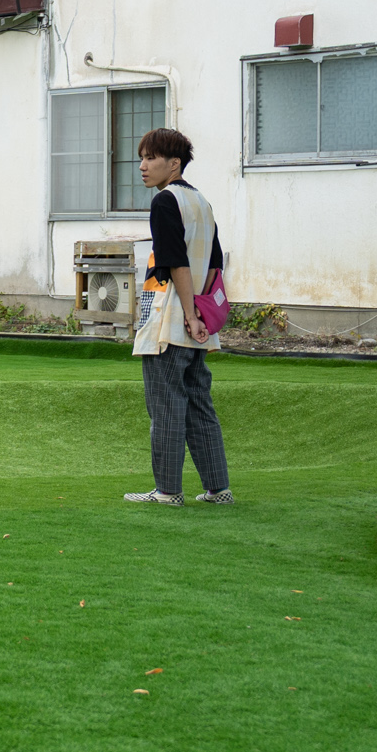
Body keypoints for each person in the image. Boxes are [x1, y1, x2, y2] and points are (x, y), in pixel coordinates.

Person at [128, 127, 233, 506]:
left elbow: (176, 263)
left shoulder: (165, 202)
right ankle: (218, 489)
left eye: (151, 158)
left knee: (166, 407)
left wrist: (189, 314)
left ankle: (168, 491)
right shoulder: (201, 203)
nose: (142, 166)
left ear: (174, 164)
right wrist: (201, 316)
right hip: (196, 325)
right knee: (199, 405)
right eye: (141, 157)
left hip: (170, 322)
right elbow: (215, 265)